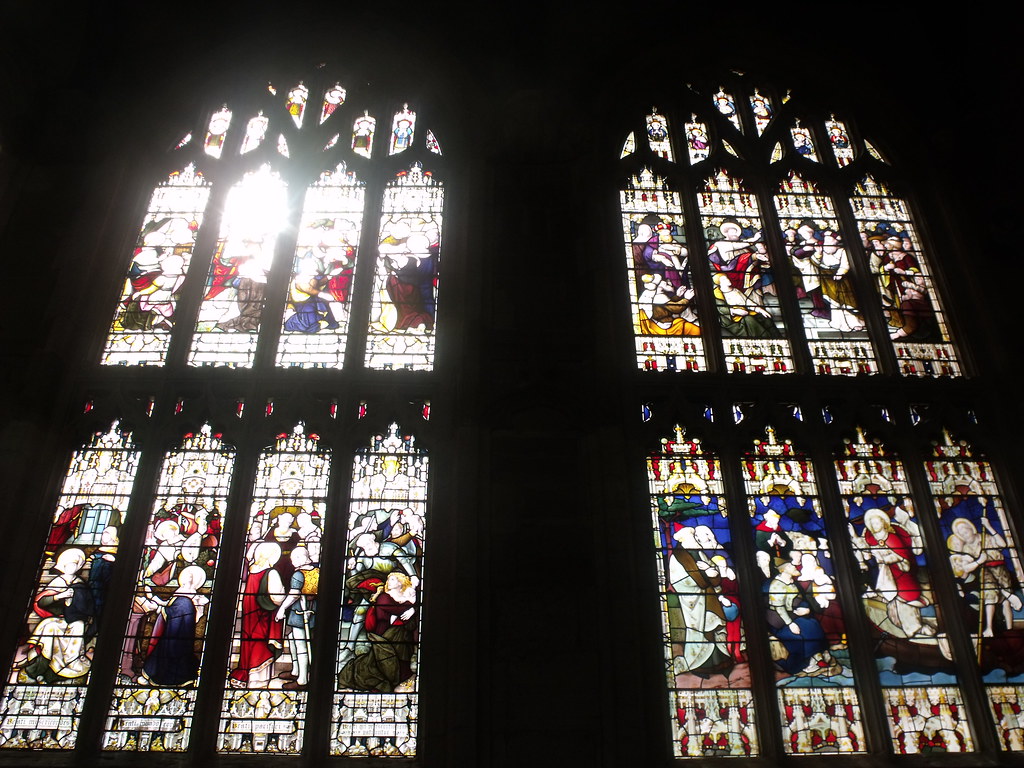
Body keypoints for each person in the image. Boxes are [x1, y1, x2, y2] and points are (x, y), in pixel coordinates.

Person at [22, 549, 95, 683]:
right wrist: (58, 596)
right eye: (68, 565)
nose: (71, 568)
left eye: (74, 565)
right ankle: (43, 666)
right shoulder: (57, 581)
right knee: (49, 627)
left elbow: (87, 604)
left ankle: (70, 663)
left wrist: (76, 600)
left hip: (75, 619)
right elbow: (42, 601)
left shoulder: (80, 583)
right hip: (57, 618)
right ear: (63, 566)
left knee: (78, 627)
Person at [947, 516, 1023, 637]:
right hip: (984, 572)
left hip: (1000, 570)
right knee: (989, 598)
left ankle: (1010, 629)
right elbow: (966, 567)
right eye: (961, 533)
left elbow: (1002, 544)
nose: (964, 534)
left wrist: (988, 526)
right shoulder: (966, 548)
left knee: (1005, 603)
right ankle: (989, 628)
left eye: (965, 530)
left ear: (971, 528)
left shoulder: (985, 537)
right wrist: (979, 561)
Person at [229, 543, 285, 687]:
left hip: (251, 610)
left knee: (249, 638)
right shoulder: (271, 572)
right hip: (263, 613)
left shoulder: (252, 571)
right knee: (261, 641)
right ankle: (259, 678)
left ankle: (248, 673)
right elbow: (276, 597)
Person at [142, 565, 208, 686]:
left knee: (174, 651)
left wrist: (156, 603)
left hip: (180, 632)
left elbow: (174, 610)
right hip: (174, 630)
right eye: (186, 576)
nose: (186, 579)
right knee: (165, 650)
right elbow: (169, 607)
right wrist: (153, 598)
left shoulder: (189, 598)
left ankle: (172, 678)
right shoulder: (181, 593)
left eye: (190, 577)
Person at [276, 547, 318, 689]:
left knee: (301, 645)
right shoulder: (316, 571)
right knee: (292, 639)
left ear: (302, 558)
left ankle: (302, 680)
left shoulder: (299, 575)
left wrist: (282, 608)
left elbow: (294, 594)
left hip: (302, 612)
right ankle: (295, 671)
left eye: (295, 559)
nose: (293, 562)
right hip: (310, 610)